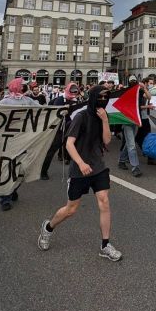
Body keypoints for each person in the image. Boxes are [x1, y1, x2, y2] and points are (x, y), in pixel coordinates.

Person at [37, 86, 122, 261]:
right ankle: (48, 227)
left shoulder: (103, 116)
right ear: (92, 98)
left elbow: (106, 140)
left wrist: (106, 121)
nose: (103, 100)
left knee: (104, 202)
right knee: (71, 209)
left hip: (98, 166)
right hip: (79, 169)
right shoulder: (81, 117)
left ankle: (105, 245)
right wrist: (81, 163)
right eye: (100, 97)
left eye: (106, 97)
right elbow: (69, 144)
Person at [0, 78, 38, 210]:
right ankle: (5, 198)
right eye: (23, 85)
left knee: (21, 168)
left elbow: (42, 109)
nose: (26, 87)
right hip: (9, 141)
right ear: (16, 87)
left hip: (24, 139)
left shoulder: (27, 100)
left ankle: (13, 188)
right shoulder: (5, 101)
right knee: (7, 168)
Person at [40, 82, 83, 180]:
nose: (73, 94)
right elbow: (56, 114)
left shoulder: (76, 100)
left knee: (76, 149)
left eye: (75, 92)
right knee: (51, 150)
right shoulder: (59, 99)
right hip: (59, 129)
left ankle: (76, 170)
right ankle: (43, 171)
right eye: (71, 91)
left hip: (72, 128)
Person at [117, 76, 144, 177]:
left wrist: (144, 87)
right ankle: (135, 167)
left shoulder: (139, 92)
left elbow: (149, 97)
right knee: (132, 145)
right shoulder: (124, 92)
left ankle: (121, 161)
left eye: (134, 81)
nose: (133, 82)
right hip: (127, 121)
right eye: (131, 81)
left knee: (129, 142)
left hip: (135, 121)